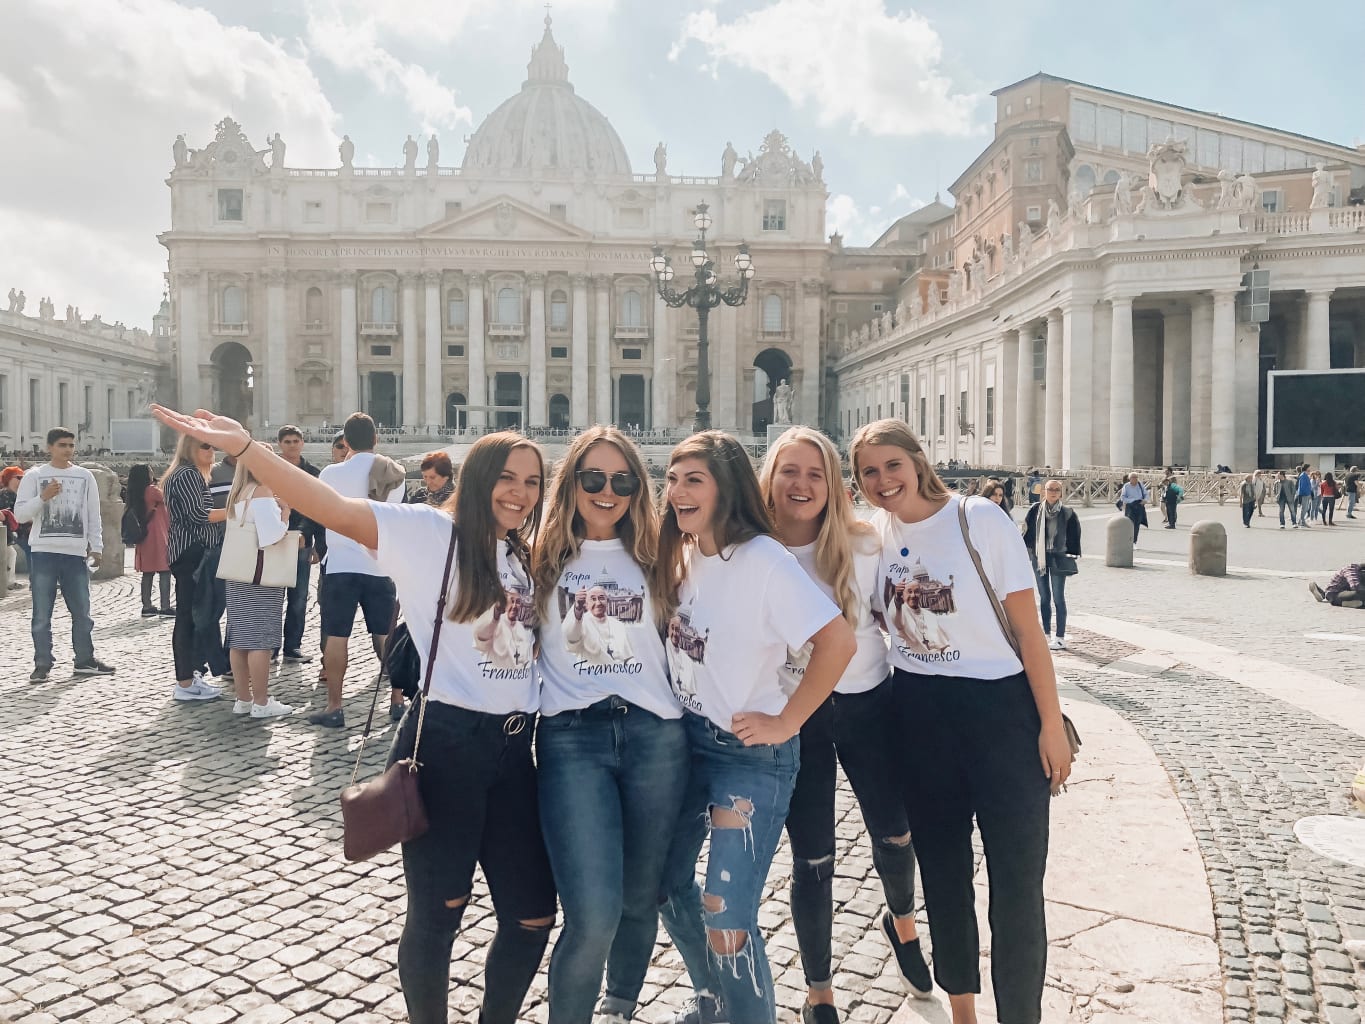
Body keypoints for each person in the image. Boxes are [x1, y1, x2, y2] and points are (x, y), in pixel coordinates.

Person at [150, 403, 557, 1024]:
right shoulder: (430, 532)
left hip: (515, 753)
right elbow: (329, 507)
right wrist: (246, 450)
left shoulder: (522, 552)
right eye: (507, 477)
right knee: (441, 911)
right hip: (447, 744)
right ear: (478, 479)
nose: (521, 493)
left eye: (532, 482)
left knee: (532, 914)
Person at [850, 418, 1071, 1024]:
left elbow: (1029, 632)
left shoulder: (980, 519)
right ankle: (963, 1012)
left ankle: (1020, 1014)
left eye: (892, 464)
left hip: (1001, 714)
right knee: (945, 878)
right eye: (868, 471)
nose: (882, 480)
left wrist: (1049, 724)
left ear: (918, 461)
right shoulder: (871, 538)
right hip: (918, 715)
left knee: (1018, 884)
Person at [653, 431, 855, 1024]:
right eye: (672, 478)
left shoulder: (766, 561)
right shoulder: (685, 550)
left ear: (728, 487)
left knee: (726, 909)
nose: (678, 492)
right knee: (664, 883)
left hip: (748, 757)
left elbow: (837, 642)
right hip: (687, 744)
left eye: (695, 480)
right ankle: (714, 996)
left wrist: (788, 719)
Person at [759, 427, 931, 1024]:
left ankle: (902, 922)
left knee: (895, 831)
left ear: (833, 484)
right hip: (798, 719)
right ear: (771, 479)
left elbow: (900, 613)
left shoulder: (864, 545)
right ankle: (819, 991)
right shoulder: (752, 550)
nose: (802, 485)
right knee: (813, 858)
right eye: (791, 472)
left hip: (868, 705)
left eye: (815, 474)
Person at [530, 425, 687, 1024]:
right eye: (592, 478)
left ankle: (619, 1008)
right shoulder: (539, 560)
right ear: (570, 483)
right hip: (574, 741)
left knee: (640, 899)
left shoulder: (663, 556)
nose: (607, 491)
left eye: (622, 480)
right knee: (593, 914)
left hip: (657, 739)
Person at [312, 412, 406, 728]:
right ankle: (397, 699)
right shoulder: (395, 473)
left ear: (347, 441)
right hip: (379, 564)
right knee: (385, 635)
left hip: (340, 564)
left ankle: (335, 706)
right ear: (376, 438)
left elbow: (321, 514)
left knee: (337, 636)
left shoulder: (330, 473)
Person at [14, 428, 117, 681]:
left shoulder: (85, 476)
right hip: (43, 553)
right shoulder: (34, 476)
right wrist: (43, 497)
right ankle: (42, 663)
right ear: (49, 447)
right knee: (41, 613)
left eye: (71, 445)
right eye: (62, 445)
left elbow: (93, 515)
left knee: (82, 611)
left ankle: (84, 660)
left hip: (75, 554)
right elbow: (20, 515)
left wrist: (97, 547)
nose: (68, 450)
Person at [222, 460, 295, 718]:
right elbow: (271, 536)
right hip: (260, 577)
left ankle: (243, 699)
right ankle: (261, 702)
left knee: (239, 639)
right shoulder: (262, 491)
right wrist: (285, 514)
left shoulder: (239, 492)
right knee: (260, 640)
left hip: (239, 573)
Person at [163, 435, 229, 700]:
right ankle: (186, 682)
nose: (211, 450)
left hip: (192, 551)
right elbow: (200, 515)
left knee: (196, 615)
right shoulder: (188, 474)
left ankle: (192, 676)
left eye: (213, 445)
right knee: (191, 617)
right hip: (193, 553)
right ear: (189, 447)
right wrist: (236, 509)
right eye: (205, 445)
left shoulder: (187, 474)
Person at [277, 425, 325, 663]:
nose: (292, 445)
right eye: (287, 442)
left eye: (296, 441)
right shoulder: (270, 471)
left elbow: (316, 510)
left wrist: (309, 537)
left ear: (303, 443)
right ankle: (271, 646)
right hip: (274, 541)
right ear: (280, 445)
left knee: (298, 598)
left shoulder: (314, 473)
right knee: (273, 598)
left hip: (302, 542)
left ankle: (292, 646)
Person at [1022, 480, 1081, 650]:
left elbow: (1075, 535)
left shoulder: (1068, 512)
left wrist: (1071, 555)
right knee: (1044, 597)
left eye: (1057, 490)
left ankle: (1060, 637)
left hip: (1058, 558)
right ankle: (1046, 633)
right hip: (1038, 558)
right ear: (1044, 492)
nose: (1053, 492)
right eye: (1050, 489)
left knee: (1058, 597)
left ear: (1061, 493)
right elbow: (1025, 533)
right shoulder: (1034, 510)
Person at [126, 464, 173, 616]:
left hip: (144, 536)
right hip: (158, 535)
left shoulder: (134, 492)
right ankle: (165, 606)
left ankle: (147, 606)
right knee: (165, 571)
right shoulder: (152, 490)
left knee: (148, 573)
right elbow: (168, 496)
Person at [1, 466, 27, 588]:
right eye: (19, 477)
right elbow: (8, 513)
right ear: (9, 478)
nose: (21, 480)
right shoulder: (7, 493)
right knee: (10, 554)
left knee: (11, 553)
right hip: (6, 532)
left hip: (9, 532)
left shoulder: (11, 494)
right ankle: (8, 583)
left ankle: (8, 582)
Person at [1119, 473, 1149, 544]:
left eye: (1136, 477)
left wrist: (1145, 500)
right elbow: (1122, 497)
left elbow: (1146, 494)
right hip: (1130, 506)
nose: (1135, 479)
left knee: (1137, 524)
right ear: (1130, 479)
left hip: (1139, 505)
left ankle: (1134, 541)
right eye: (1133, 477)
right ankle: (1127, 540)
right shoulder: (1126, 486)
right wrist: (1131, 500)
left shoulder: (1140, 484)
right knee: (1130, 523)